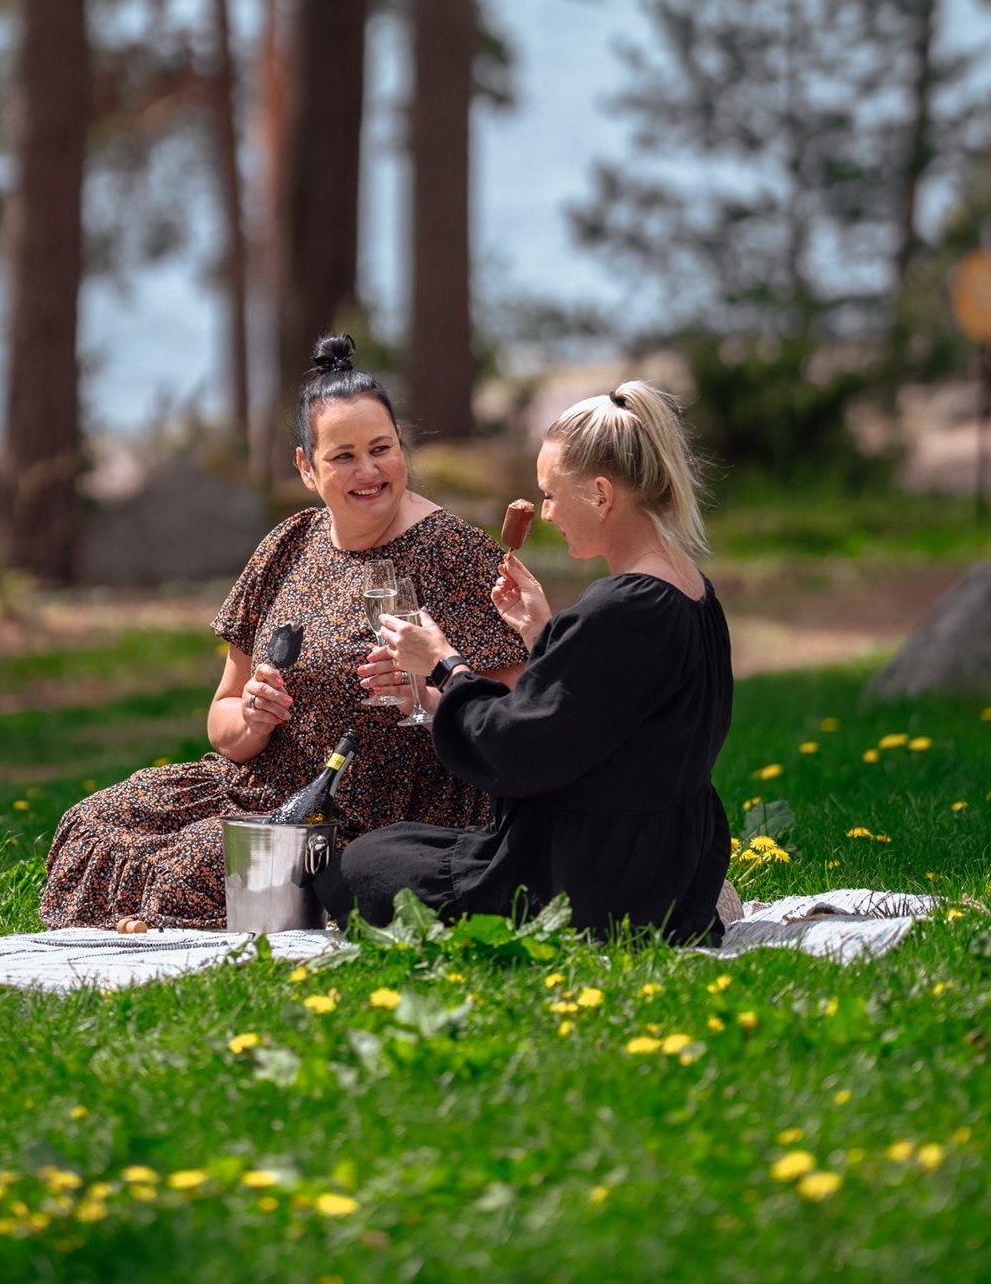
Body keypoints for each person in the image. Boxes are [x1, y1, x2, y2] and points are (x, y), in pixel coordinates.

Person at [39, 335, 527, 929]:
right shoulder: (287, 545)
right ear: (306, 467)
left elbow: (513, 722)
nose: (368, 471)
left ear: (403, 448)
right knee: (97, 822)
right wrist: (252, 718)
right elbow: (222, 720)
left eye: (382, 449)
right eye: (343, 456)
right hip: (268, 789)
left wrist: (427, 695)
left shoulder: (457, 552)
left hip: (384, 808)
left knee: (189, 867)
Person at [315, 380, 734, 945]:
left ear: (603, 496)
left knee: (361, 867)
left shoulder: (622, 607)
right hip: (668, 860)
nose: (545, 512)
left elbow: (517, 750)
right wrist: (543, 633)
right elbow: (603, 712)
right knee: (403, 844)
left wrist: (443, 665)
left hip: (597, 883)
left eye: (553, 495)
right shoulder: (690, 589)